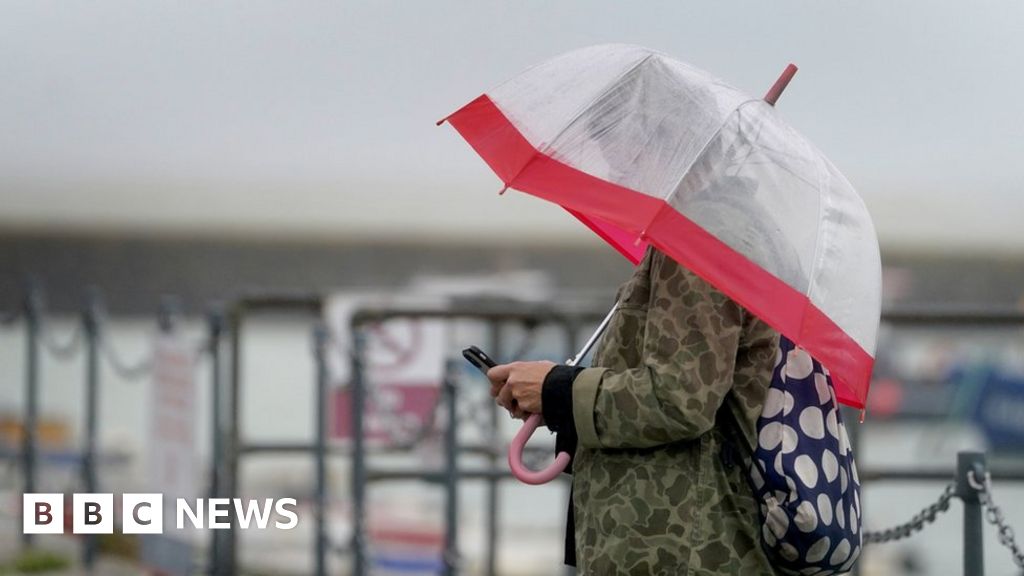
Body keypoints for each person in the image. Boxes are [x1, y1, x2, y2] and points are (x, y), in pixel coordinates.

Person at [487, 245, 781, 575]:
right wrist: (554, 391)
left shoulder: (699, 243)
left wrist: (557, 390)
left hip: (675, 542)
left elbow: (680, 399)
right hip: (670, 537)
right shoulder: (708, 236)